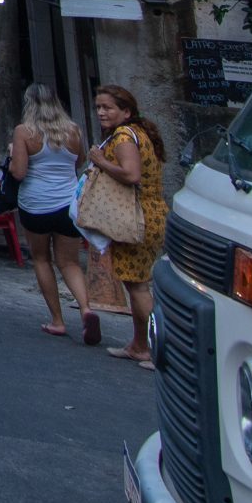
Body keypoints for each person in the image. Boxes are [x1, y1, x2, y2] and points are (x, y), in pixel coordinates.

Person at [7, 83, 98, 345]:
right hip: (67, 204)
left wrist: (13, 157)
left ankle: (57, 320)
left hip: (36, 205)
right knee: (69, 262)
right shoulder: (73, 130)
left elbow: (20, 172)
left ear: (29, 104)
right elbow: (79, 162)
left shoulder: (24, 132)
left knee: (41, 259)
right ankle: (86, 309)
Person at [85, 85, 167, 365]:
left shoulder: (122, 137)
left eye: (107, 107)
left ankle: (160, 350)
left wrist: (99, 161)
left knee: (139, 287)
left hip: (137, 217)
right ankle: (139, 345)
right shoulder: (138, 133)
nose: (101, 113)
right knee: (136, 284)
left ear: (126, 111)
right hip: (149, 214)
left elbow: (131, 175)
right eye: (98, 107)